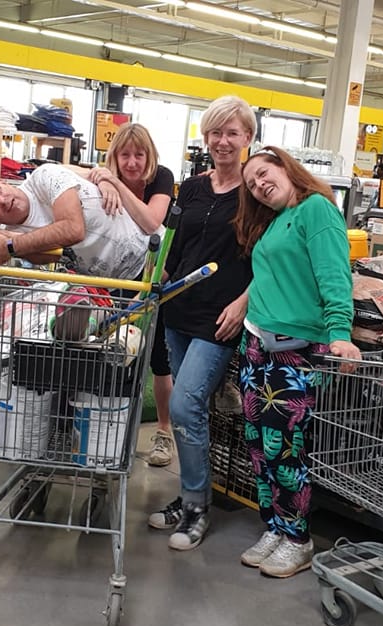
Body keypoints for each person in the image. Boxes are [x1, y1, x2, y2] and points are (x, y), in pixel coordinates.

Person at [232, 145, 360, 578]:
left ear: (286, 168)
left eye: (264, 173)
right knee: (258, 446)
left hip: (297, 351)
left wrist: (340, 332)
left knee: (285, 449)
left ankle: (298, 539)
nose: (259, 185)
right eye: (252, 184)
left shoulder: (316, 209)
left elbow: (334, 274)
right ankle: (274, 526)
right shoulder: (274, 222)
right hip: (256, 346)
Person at [147, 95, 255, 552]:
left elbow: (268, 258)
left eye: (232, 132)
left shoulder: (256, 193)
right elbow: (174, 246)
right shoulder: (190, 188)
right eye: (215, 132)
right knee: (192, 409)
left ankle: (196, 506)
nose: (222, 141)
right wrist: (157, 279)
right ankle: (191, 493)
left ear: (248, 137)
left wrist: (244, 303)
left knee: (186, 404)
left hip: (220, 318)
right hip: (178, 309)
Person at [67, 123, 177, 467]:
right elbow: (59, 171)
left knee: (158, 357)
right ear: (114, 156)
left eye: (139, 155)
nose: (131, 163)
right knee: (104, 350)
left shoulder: (161, 177)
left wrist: (114, 184)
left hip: (152, 274)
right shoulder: (104, 174)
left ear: (150, 155)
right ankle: (95, 425)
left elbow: (151, 221)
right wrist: (100, 178)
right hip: (109, 276)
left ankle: (164, 431)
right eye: (124, 155)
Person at [0, 163, 150, 280]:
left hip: (150, 257)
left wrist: (9, 246)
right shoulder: (11, 231)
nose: (1, 200)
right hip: (116, 287)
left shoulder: (44, 177)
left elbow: (73, 229)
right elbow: (48, 256)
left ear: (2, 182)